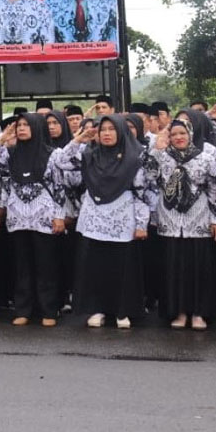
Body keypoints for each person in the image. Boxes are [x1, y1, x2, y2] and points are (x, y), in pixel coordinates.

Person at [53, 115, 147, 328]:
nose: (106, 133)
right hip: (95, 214)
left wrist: (141, 224)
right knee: (95, 264)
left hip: (122, 214)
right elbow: (60, 162)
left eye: (111, 129)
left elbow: (142, 192)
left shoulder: (135, 157)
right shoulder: (89, 155)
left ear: (121, 132)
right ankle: (97, 308)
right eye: (102, 129)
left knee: (122, 265)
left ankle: (122, 310)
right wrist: (79, 140)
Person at [0, 113, 66, 326]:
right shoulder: (11, 153)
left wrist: (59, 216)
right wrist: (3, 138)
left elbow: (59, 187)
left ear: (37, 128)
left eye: (25, 125)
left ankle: (48, 310)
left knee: (45, 264)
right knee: (22, 265)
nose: (21, 129)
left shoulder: (52, 154)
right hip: (18, 216)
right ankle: (24, 309)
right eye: (18, 125)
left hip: (44, 216)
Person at [148, 115, 216, 330]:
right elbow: (147, 175)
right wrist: (156, 148)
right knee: (174, 268)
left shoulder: (206, 154)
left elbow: (215, 187)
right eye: (173, 134)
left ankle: (199, 313)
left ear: (191, 133)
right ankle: (179, 312)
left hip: (198, 217)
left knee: (198, 268)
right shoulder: (163, 156)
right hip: (170, 220)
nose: (178, 137)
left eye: (182, 133)